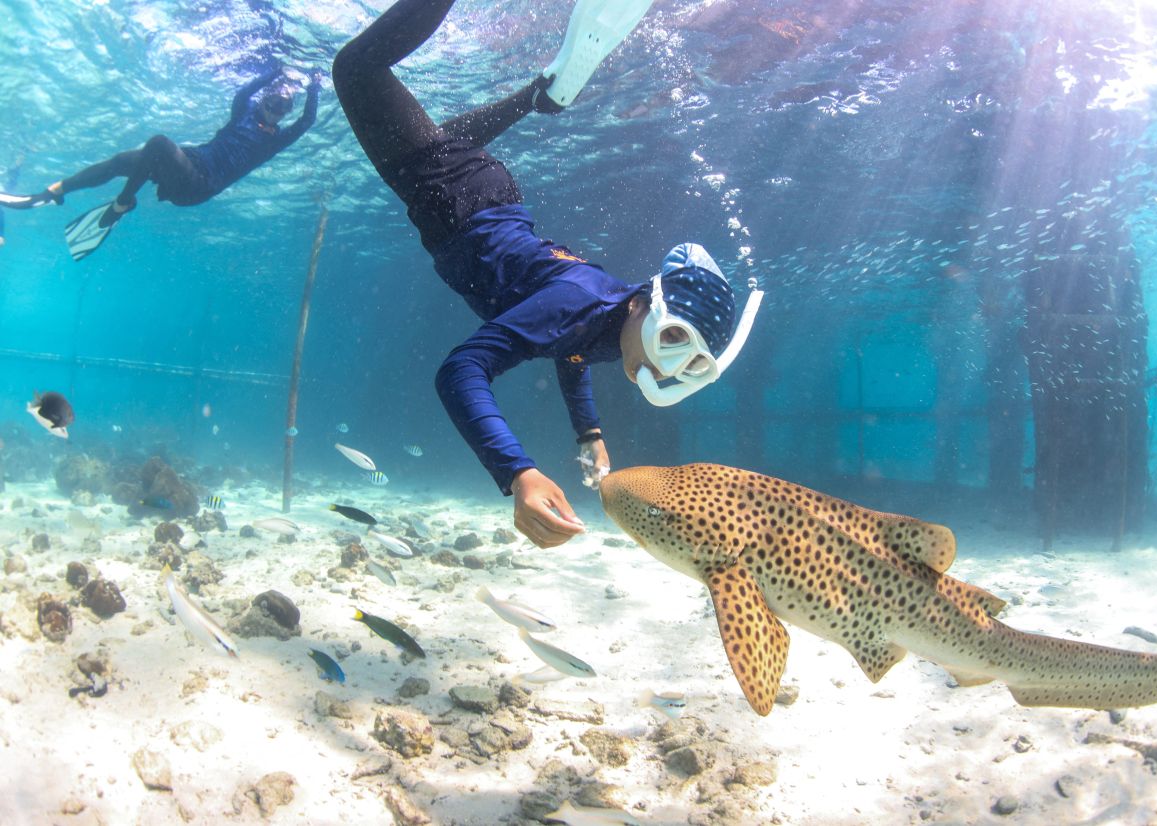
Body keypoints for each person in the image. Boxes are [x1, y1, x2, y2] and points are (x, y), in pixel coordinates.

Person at [332, 0, 763, 548]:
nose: (665, 364)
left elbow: (573, 349)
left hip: (482, 196)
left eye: (689, 362)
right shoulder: (582, 303)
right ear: (642, 306)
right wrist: (518, 473)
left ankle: (539, 96)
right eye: (674, 339)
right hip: (454, 201)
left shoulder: (616, 326)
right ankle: (534, 95)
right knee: (356, 70)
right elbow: (461, 371)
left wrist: (590, 433)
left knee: (444, 140)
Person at [0, 67, 320, 260]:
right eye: (273, 101)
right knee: (120, 161)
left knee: (158, 144)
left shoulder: (273, 143)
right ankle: (55, 190)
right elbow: (244, 91)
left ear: (286, 113)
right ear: (264, 100)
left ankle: (122, 203)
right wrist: (277, 71)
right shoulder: (243, 113)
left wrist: (315, 85)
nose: (276, 108)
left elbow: (307, 121)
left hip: (199, 185)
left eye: (284, 106)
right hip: (191, 161)